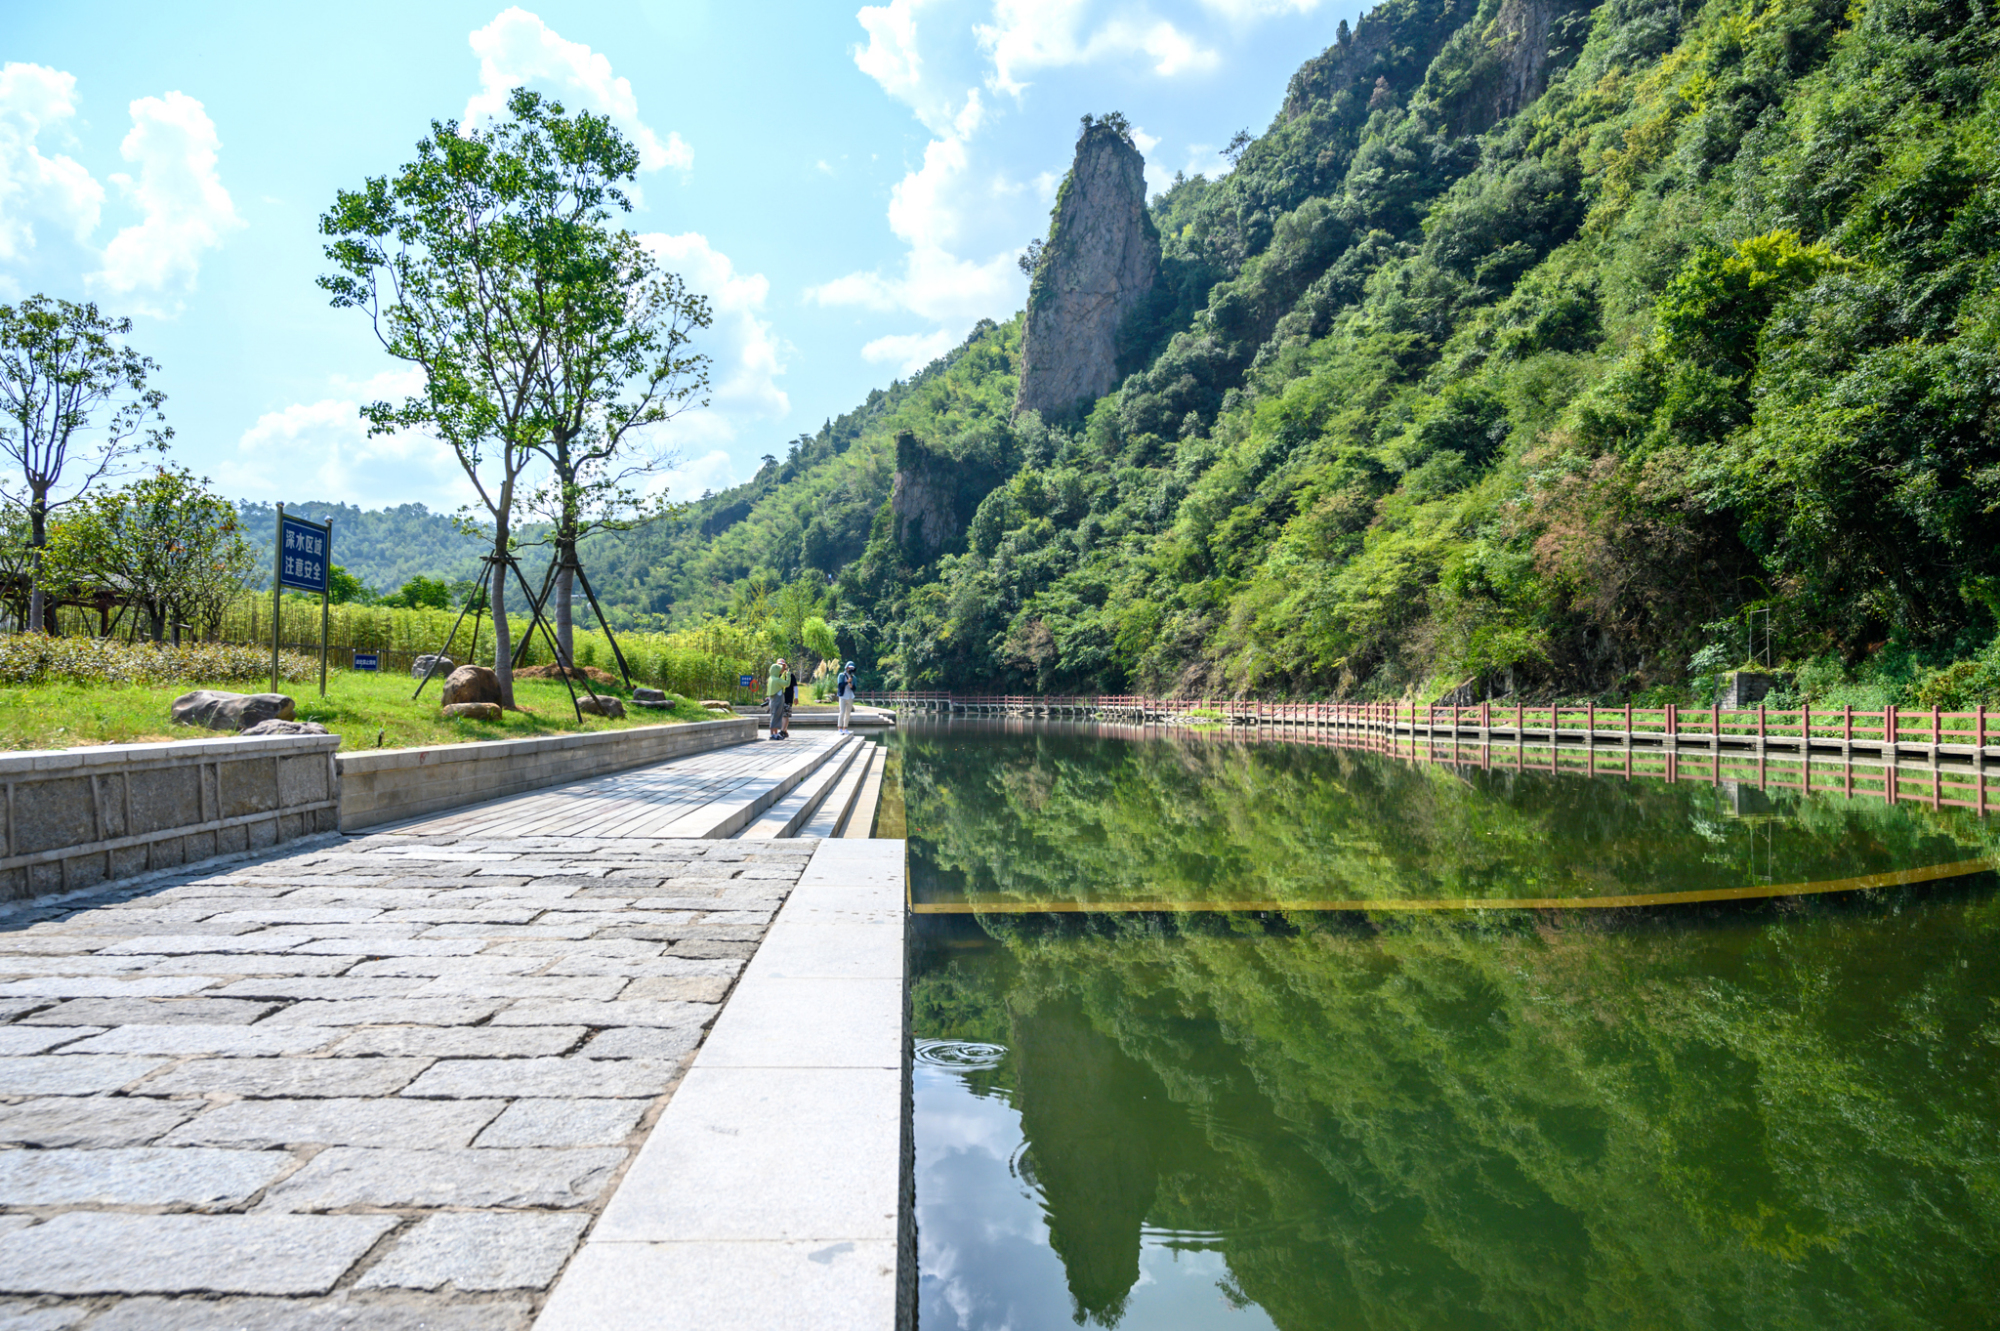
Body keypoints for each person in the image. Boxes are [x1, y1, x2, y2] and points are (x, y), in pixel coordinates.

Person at [766, 658, 791, 740]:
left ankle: (774, 733)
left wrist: (783, 675)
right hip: (777, 701)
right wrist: (788, 675)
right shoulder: (777, 680)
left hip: (773, 701)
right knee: (776, 717)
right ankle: (773, 734)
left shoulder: (771, 678)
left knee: (774, 716)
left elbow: (781, 682)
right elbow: (787, 684)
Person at [836, 660, 857, 733]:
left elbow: (855, 688)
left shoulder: (854, 677)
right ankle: (839, 728)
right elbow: (840, 685)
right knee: (842, 712)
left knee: (848, 713)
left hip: (850, 696)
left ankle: (845, 728)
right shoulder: (841, 675)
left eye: (852, 668)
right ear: (846, 667)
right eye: (849, 667)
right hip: (843, 696)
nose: (850, 669)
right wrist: (847, 681)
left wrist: (851, 686)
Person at [782, 667, 798, 737]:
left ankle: (782, 731)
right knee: (784, 715)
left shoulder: (791, 675)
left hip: (788, 698)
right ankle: (785, 730)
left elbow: (795, 687)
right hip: (779, 699)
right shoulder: (777, 675)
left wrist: (796, 697)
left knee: (785, 715)